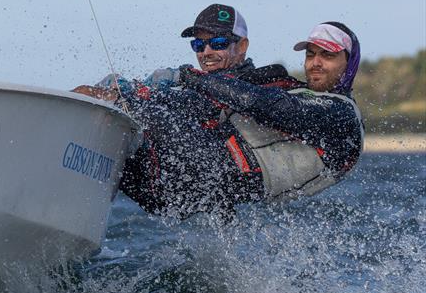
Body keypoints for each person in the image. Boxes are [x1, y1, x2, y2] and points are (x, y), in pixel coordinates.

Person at [76, 19, 363, 220]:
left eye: (327, 55)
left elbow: (263, 105)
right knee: (123, 147)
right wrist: (130, 89)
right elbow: (203, 105)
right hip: (182, 192)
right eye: (311, 54)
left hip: (217, 176)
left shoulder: (342, 115)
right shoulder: (296, 90)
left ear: (348, 63)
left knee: (138, 110)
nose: (315, 62)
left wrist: (187, 76)